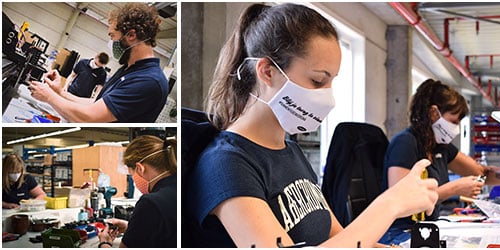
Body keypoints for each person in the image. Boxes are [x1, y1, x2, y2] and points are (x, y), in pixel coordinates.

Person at [185, 3, 438, 247]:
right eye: (318, 81)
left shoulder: (290, 150)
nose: (327, 97)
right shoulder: (225, 164)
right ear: (267, 72)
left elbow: (338, 238)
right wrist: (390, 205)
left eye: (331, 82)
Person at [379, 79, 500, 245]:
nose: (456, 129)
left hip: (426, 229)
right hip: (398, 233)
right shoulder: (405, 143)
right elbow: (401, 201)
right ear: (433, 113)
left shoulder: (440, 147)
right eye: (453, 122)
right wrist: (455, 188)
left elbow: (481, 173)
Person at [28, 3, 168, 122]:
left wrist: (49, 97)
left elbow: (89, 117)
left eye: (112, 36)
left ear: (131, 35)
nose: (111, 43)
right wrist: (60, 92)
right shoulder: (129, 69)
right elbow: (97, 104)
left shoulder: (149, 81)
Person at [97, 135, 177, 248]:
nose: (133, 180)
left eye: (131, 175)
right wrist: (133, 228)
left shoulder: (151, 203)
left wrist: (105, 243)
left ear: (140, 168)